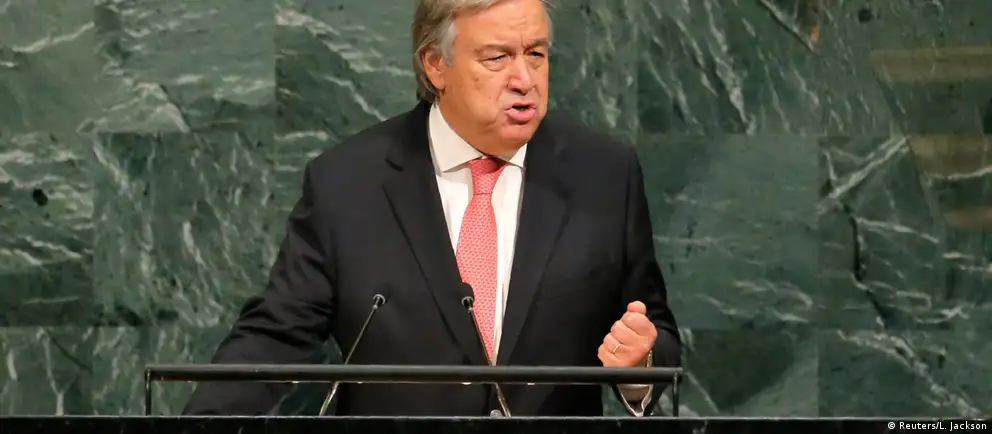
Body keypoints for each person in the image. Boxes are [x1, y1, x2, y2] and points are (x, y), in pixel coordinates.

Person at [183, 0, 680, 417]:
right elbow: (275, 334)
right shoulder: (349, 183)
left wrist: (639, 365)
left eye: (536, 54)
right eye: (497, 57)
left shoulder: (604, 176)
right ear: (435, 65)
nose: (524, 79)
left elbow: (653, 331)